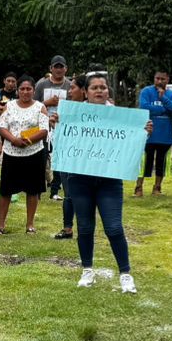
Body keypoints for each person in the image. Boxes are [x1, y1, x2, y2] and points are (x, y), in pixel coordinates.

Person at [59, 72, 139, 293]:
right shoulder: (74, 114)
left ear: (108, 91)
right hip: (80, 179)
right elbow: (63, 141)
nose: (99, 91)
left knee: (114, 227)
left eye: (103, 87)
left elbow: (131, 144)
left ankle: (125, 274)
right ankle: (87, 270)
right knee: (85, 227)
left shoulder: (119, 116)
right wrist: (59, 124)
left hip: (109, 180)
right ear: (86, 91)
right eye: (94, 87)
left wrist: (143, 132)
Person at [0, 76, 50, 234]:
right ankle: (1, 224)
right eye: (22, 89)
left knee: (32, 190)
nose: (25, 92)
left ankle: (30, 224)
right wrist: (13, 139)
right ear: (18, 90)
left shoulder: (40, 107)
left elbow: (44, 129)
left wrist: (27, 140)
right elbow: (3, 127)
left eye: (28, 89)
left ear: (33, 90)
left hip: (34, 153)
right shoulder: (9, 106)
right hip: (11, 153)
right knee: (5, 190)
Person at [50, 74, 88, 240]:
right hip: (67, 155)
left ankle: (85, 228)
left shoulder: (96, 110)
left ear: (84, 90)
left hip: (86, 158)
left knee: (83, 194)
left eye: (73, 87)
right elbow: (58, 130)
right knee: (69, 194)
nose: (70, 91)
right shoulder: (66, 109)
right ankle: (67, 229)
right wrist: (55, 121)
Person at [136, 70, 172, 196]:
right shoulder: (146, 91)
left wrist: (163, 98)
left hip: (165, 136)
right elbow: (144, 108)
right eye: (157, 78)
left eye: (163, 79)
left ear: (168, 80)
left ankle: (157, 188)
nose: (159, 81)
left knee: (162, 163)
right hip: (148, 134)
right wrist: (164, 109)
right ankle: (138, 188)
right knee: (144, 162)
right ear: (154, 78)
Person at [35, 56, 73, 200]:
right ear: (51, 68)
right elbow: (33, 104)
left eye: (61, 67)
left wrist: (63, 108)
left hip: (62, 126)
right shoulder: (41, 85)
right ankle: (37, 189)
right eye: (55, 67)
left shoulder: (70, 85)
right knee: (41, 157)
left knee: (60, 158)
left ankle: (55, 190)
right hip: (43, 126)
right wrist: (47, 102)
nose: (58, 69)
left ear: (66, 69)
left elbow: (74, 106)